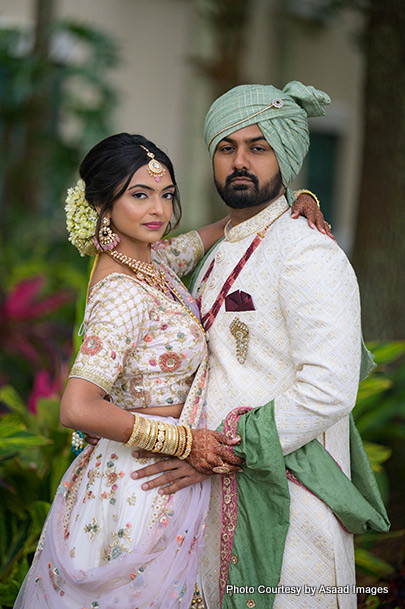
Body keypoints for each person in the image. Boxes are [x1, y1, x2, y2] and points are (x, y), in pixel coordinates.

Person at [14, 132, 327, 609]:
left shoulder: (150, 261)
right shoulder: (122, 292)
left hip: (163, 477)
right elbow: (77, 408)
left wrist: (293, 200)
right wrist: (187, 441)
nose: (158, 209)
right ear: (102, 205)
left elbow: (223, 228)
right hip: (140, 484)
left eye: (166, 195)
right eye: (139, 196)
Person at [131, 82, 390, 609]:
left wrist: (219, 450)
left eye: (258, 147)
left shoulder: (308, 253)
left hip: (290, 506)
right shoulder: (220, 250)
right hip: (207, 496)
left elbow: (328, 390)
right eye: (227, 148)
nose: (240, 161)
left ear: (285, 156)